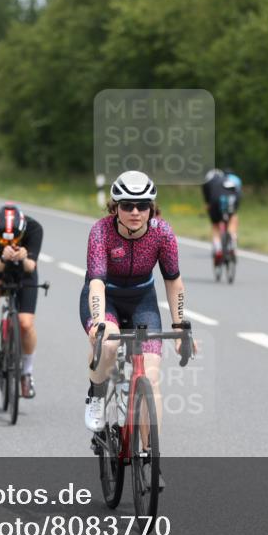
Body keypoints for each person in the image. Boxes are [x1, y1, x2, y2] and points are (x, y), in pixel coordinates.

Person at [81, 170, 197, 429]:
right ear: (115, 208)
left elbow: (173, 280)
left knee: (151, 376)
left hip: (142, 300)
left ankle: (148, 457)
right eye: (127, 205)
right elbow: (96, 283)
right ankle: (96, 396)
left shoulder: (162, 233)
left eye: (143, 205)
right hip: (106, 297)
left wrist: (179, 328)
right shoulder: (101, 231)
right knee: (109, 345)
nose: (136, 212)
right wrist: (99, 322)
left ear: (151, 208)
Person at [0, 203, 44, 399]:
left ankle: (27, 373)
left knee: (25, 323)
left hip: (23, 270)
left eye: (15, 239)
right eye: (2, 240)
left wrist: (23, 257)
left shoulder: (34, 229)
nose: (9, 243)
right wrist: (4, 259)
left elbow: (31, 267)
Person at [202, 168, 243, 265]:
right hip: (233, 197)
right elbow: (238, 192)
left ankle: (218, 249)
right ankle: (232, 240)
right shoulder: (227, 179)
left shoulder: (207, 182)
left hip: (215, 200)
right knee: (232, 217)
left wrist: (209, 210)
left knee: (215, 225)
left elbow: (208, 202)